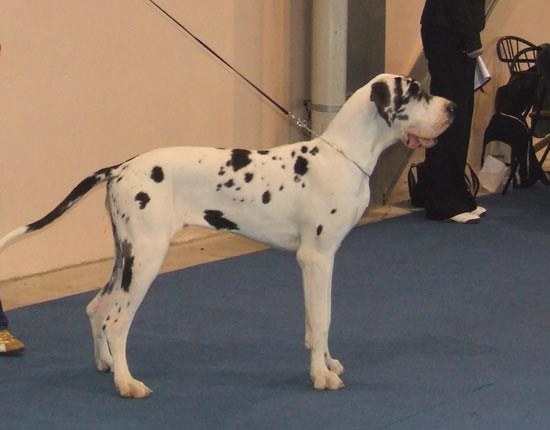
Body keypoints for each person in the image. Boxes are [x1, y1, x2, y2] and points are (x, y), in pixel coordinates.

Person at [413, 0, 487, 223]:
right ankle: (443, 202)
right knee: (449, 119)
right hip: (449, 32)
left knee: (459, 118)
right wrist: (471, 38)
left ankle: (454, 194)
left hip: (452, 31)